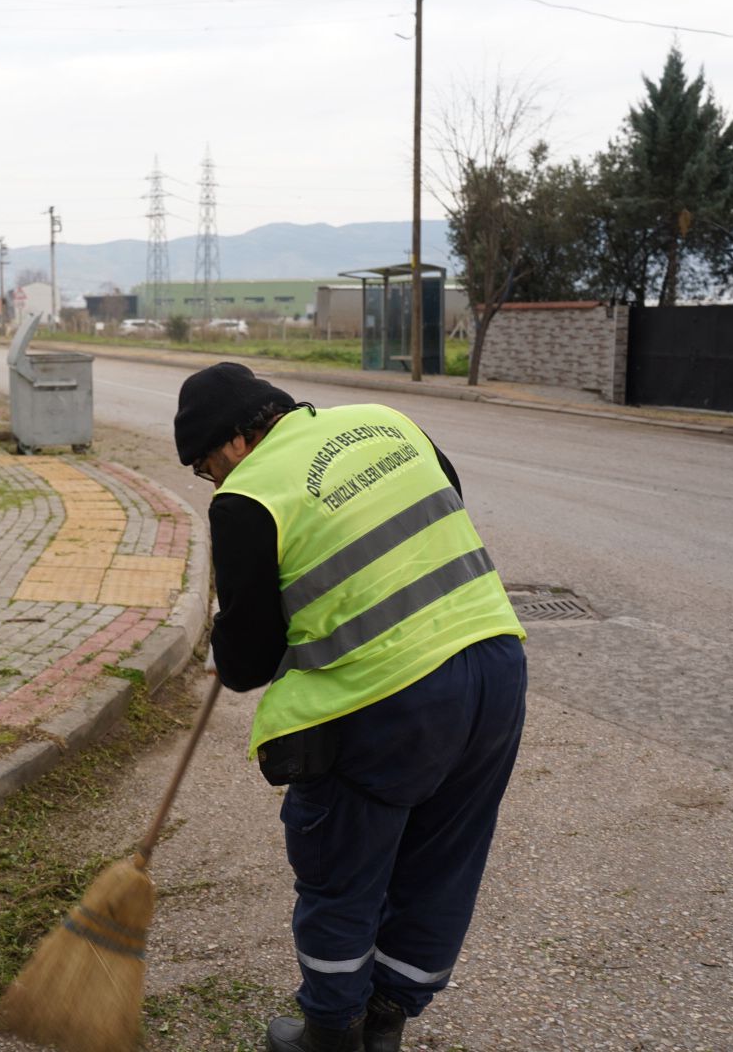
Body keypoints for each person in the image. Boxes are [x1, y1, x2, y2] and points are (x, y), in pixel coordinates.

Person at [173, 362, 527, 1052]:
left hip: (389, 700)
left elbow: (244, 664)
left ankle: (333, 1034)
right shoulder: (385, 420)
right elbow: (442, 500)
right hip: (495, 666)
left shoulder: (247, 497)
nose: (211, 480)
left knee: (342, 868)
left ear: (236, 442)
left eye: (205, 465)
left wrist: (232, 625)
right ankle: (388, 1018)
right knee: (443, 861)